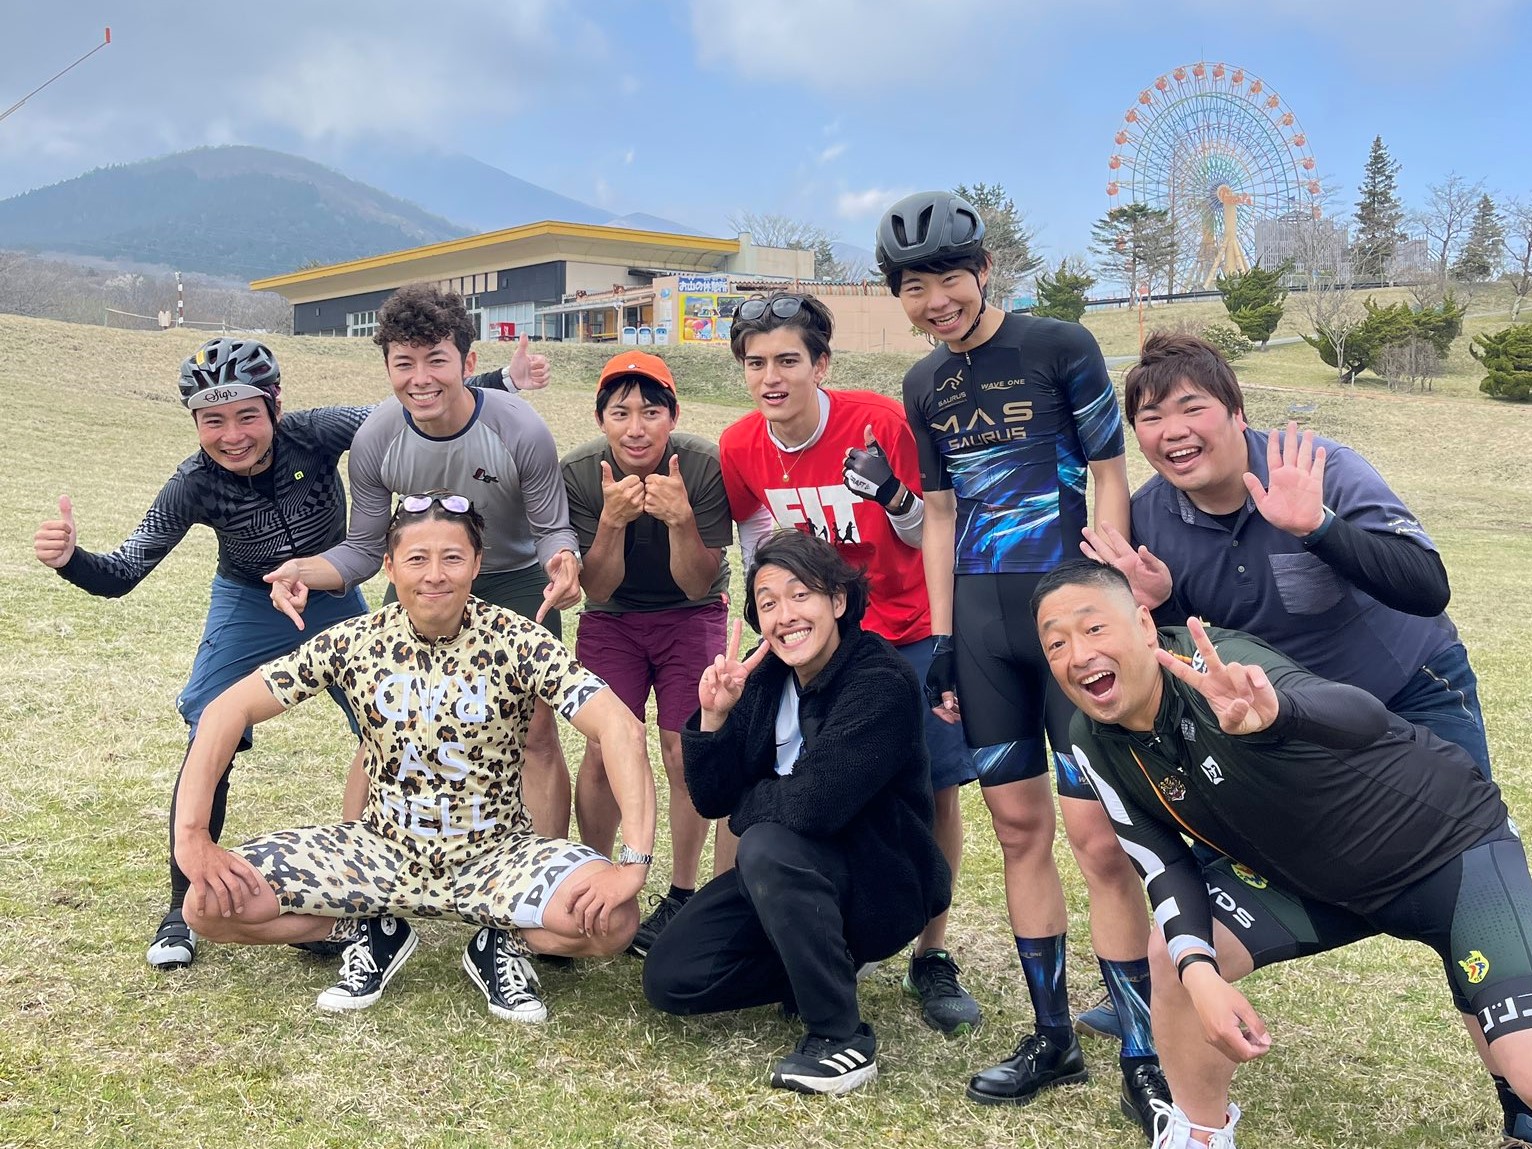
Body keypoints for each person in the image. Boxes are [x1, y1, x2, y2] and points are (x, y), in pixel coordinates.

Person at [30, 337, 517, 970]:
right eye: (212, 420)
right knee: (213, 730)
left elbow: (407, 409)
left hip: (330, 591)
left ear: (276, 405)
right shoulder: (194, 482)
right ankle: (183, 907)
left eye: (246, 416)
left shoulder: (315, 435)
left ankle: (382, 891)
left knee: (394, 725)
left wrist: (501, 378)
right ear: (195, 423)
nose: (232, 436)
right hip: (249, 603)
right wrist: (70, 558)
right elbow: (124, 571)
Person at [1031, 558, 1532, 1149]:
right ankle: (1198, 1136)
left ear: (1144, 624)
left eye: (1093, 629)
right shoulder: (1089, 737)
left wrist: (1276, 715)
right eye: (1055, 643)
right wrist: (1201, 975)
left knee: (1524, 1068)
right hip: (1310, 884)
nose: (1076, 654)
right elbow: (1163, 864)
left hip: (1446, 849)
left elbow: (1366, 718)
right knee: (1174, 953)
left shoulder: (1219, 663)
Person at [879, 189, 1166, 1131]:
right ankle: (1052, 1034)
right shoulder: (923, 384)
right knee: (1016, 831)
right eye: (915, 290)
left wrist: (1109, 615)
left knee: (1098, 840)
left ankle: (1141, 1044)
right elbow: (944, 511)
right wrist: (944, 641)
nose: (936, 303)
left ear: (984, 270)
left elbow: (1111, 474)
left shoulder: (1061, 346)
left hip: (1069, 621)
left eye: (948, 281)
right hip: (987, 632)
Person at [174, 492, 656, 1022]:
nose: (434, 575)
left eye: (452, 558)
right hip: (377, 850)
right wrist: (193, 837)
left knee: (615, 922)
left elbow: (621, 729)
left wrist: (632, 862)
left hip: (495, 856)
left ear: (477, 564)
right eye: (417, 559)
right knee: (206, 908)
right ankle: (366, 929)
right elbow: (225, 711)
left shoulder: (520, 640)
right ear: (389, 565)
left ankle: (501, 945)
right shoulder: (354, 641)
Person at [716, 290, 981, 1037]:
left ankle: (932, 949)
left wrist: (891, 492)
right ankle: (798, 919)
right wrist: (773, 627)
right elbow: (754, 541)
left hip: (905, 623)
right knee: (798, 775)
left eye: (788, 361)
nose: (772, 377)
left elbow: (925, 524)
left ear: (820, 363)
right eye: (757, 363)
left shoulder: (877, 421)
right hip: (813, 633)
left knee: (935, 786)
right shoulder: (740, 445)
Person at [1082, 330, 1491, 779]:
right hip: (1292, 716)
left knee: (1468, 836)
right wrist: (1162, 606)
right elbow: (1193, 652)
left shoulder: (1318, 468)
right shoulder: (1148, 521)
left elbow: (1429, 589)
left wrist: (1319, 527)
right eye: (1151, 417)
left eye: (1193, 408)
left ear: (1237, 413)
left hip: (1410, 687)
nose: (1173, 431)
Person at [263, 283, 582, 844]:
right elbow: (363, 550)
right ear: (386, 365)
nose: (421, 378)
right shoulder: (375, 439)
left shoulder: (518, 428)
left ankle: (544, 878)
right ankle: (358, 884)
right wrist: (301, 570)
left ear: (468, 361)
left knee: (533, 736)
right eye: (403, 363)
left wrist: (564, 561)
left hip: (516, 584)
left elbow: (551, 526)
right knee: (382, 733)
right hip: (416, 591)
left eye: (436, 359)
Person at [642, 530, 950, 1095]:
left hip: (880, 880)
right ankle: (819, 964)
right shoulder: (764, 679)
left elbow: (814, 805)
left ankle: (842, 1040)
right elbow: (712, 799)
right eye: (768, 603)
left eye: (799, 595)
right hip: (786, 874)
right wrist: (713, 719)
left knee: (763, 841)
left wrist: (748, 807)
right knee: (672, 977)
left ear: (837, 601)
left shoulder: (879, 678)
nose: (785, 616)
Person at [560, 350, 733, 956]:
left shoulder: (705, 466)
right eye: (620, 412)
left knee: (687, 748)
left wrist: (683, 520)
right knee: (606, 747)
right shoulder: (581, 473)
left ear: (672, 416)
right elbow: (597, 588)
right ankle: (594, 876)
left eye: (651, 412)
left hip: (692, 614)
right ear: (602, 420)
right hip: (613, 618)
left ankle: (683, 891)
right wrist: (609, 525)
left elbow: (696, 583)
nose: (636, 427)